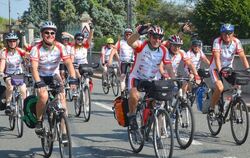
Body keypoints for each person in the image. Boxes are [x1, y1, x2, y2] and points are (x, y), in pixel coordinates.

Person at [30, 21, 77, 136]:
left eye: (52, 33)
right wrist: (39, 82)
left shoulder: (60, 47)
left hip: (54, 76)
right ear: (42, 34)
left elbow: (69, 63)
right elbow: (34, 68)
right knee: (44, 96)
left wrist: (73, 78)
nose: (50, 35)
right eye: (47, 33)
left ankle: (64, 131)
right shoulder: (36, 49)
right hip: (40, 76)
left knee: (62, 100)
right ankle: (39, 121)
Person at [126, 24, 174, 130]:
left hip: (152, 79)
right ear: (149, 36)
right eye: (154, 37)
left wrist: (173, 80)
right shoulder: (142, 45)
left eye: (159, 37)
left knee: (155, 103)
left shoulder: (163, 50)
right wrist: (138, 33)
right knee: (134, 96)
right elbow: (130, 42)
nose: (157, 40)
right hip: (137, 77)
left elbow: (169, 67)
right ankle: (132, 116)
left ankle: (147, 124)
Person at [209, 23, 249, 114]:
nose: (227, 35)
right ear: (221, 34)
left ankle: (231, 105)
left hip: (228, 69)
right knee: (220, 88)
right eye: (224, 33)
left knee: (237, 87)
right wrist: (220, 70)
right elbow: (217, 57)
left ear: (233, 33)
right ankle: (211, 108)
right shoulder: (217, 41)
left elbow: (242, 57)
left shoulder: (236, 42)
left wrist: (248, 69)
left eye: (229, 33)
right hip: (216, 69)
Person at [0, 32, 27, 115]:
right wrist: (1, 72)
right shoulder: (4, 52)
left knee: (23, 89)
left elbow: (28, 56)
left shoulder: (20, 51)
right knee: (10, 85)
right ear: (7, 42)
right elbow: (3, 62)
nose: (12, 43)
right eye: (10, 41)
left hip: (18, 74)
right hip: (8, 74)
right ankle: (8, 105)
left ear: (17, 42)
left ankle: (24, 107)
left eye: (14, 41)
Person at [108, 28, 134, 95]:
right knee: (123, 76)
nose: (128, 35)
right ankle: (122, 91)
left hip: (132, 61)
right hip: (123, 61)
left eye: (130, 34)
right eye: (127, 34)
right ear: (124, 35)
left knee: (133, 76)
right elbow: (114, 50)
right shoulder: (120, 42)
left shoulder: (134, 42)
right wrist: (110, 60)